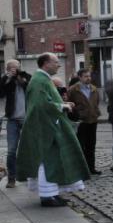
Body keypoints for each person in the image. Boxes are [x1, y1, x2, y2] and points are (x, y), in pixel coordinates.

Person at [14, 53, 89, 207]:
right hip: (44, 130)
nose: (58, 65)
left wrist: (63, 103)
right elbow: (40, 105)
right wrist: (63, 106)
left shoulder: (42, 79)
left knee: (53, 161)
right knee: (47, 162)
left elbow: (46, 101)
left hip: (48, 126)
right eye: (56, 62)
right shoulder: (39, 80)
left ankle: (52, 194)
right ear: (46, 63)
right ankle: (47, 197)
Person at [1, 60, 31, 188]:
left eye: (16, 67)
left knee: (29, 149)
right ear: (7, 69)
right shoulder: (5, 80)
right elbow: (1, 93)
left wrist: (21, 79)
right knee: (11, 151)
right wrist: (8, 78)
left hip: (27, 119)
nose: (14, 70)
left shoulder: (26, 76)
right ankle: (11, 179)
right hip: (12, 119)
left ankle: (29, 176)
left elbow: (31, 88)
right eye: (11, 68)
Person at [68, 69, 102, 175]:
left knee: (91, 146)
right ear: (80, 77)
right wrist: (76, 115)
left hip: (92, 120)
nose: (88, 78)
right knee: (80, 146)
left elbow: (96, 102)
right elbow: (70, 103)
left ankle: (91, 168)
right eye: (86, 76)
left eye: (89, 76)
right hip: (81, 122)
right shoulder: (73, 90)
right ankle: (80, 169)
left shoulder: (94, 89)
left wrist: (95, 112)